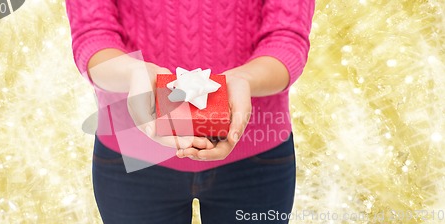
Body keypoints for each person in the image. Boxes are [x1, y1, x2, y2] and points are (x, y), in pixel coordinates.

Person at [65, 0, 314, 223]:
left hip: (256, 148)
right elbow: (92, 35)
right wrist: (135, 74)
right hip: (131, 144)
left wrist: (244, 79)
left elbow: (287, 38)